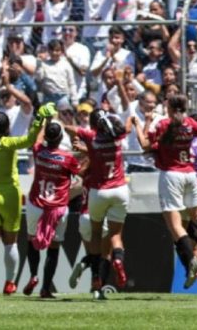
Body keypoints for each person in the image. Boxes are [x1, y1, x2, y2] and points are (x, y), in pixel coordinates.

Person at [0, 101, 57, 295]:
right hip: (8, 195)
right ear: (5, 128)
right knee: (11, 242)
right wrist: (39, 119)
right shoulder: (6, 143)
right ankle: (10, 283)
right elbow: (30, 140)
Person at [135, 94, 197, 288]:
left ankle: (192, 261)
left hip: (171, 175)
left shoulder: (164, 124)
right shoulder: (190, 123)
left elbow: (146, 145)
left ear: (170, 108)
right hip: (190, 174)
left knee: (175, 225)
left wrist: (142, 124)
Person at [64, 109, 131, 297]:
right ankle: (118, 260)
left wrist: (76, 140)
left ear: (94, 125)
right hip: (120, 189)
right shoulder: (119, 135)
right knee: (115, 236)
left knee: (95, 234)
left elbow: (70, 128)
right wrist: (133, 119)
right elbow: (128, 127)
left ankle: (95, 277)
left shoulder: (92, 137)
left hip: (99, 193)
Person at [23, 120, 83, 299]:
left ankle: (33, 275)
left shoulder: (39, 152)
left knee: (31, 239)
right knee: (54, 246)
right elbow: (79, 171)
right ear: (60, 138)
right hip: (57, 208)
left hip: (36, 204)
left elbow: (36, 141)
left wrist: (44, 123)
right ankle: (45, 288)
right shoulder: (67, 158)